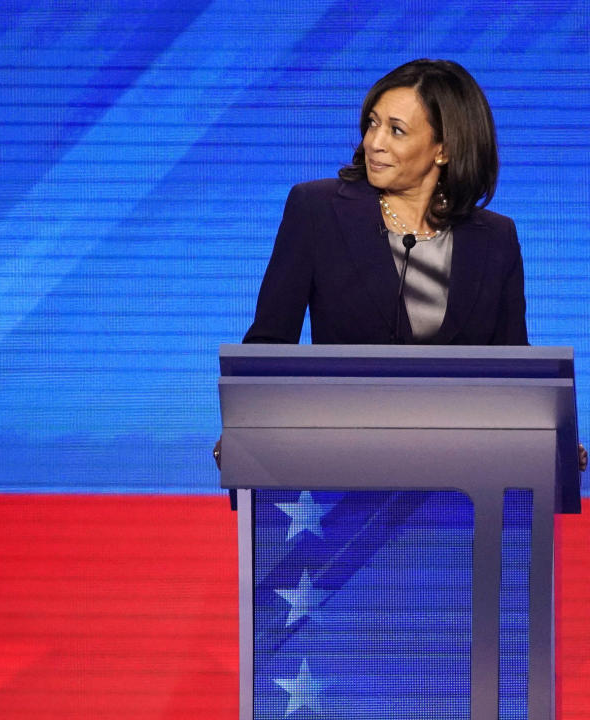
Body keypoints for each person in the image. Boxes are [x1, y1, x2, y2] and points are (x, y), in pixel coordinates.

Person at [214, 58, 586, 470]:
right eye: (373, 124)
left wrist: (550, 437)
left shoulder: (495, 238)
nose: (375, 142)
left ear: (443, 149)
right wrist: (244, 429)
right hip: (343, 470)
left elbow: (513, 367)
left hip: (460, 480)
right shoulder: (317, 210)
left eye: (396, 130)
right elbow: (269, 344)